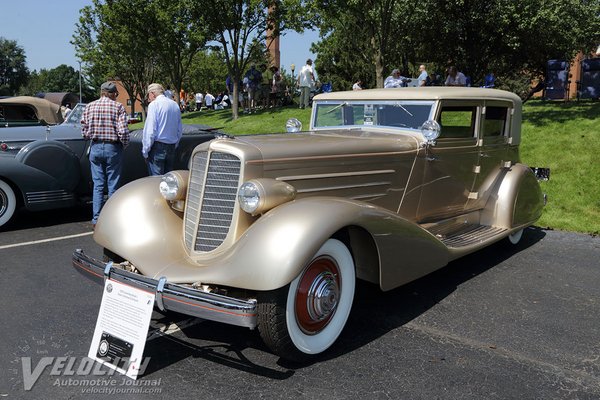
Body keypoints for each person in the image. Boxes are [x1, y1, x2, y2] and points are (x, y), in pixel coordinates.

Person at [81, 81, 130, 229]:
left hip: (95, 147)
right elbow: (123, 131)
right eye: (116, 94)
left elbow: (84, 130)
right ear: (111, 93)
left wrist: (93, 135)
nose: (116, 96)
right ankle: (112, 218)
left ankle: (96, 220)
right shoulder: (118, 107)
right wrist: (124, 144)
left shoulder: (89, 106)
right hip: (112, 147)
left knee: (98, 185)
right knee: (113, 184)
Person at [142, 83, 183, 176]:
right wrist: (175, 144)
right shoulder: (174, 105)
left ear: (152, 93)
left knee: (156, 182)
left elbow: (150, 131)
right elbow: (179, 129)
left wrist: (145, 151)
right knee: (168, 181)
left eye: (148, 95)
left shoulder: (154, 105)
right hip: (171, 145)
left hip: (157, 147)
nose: (149, 98)